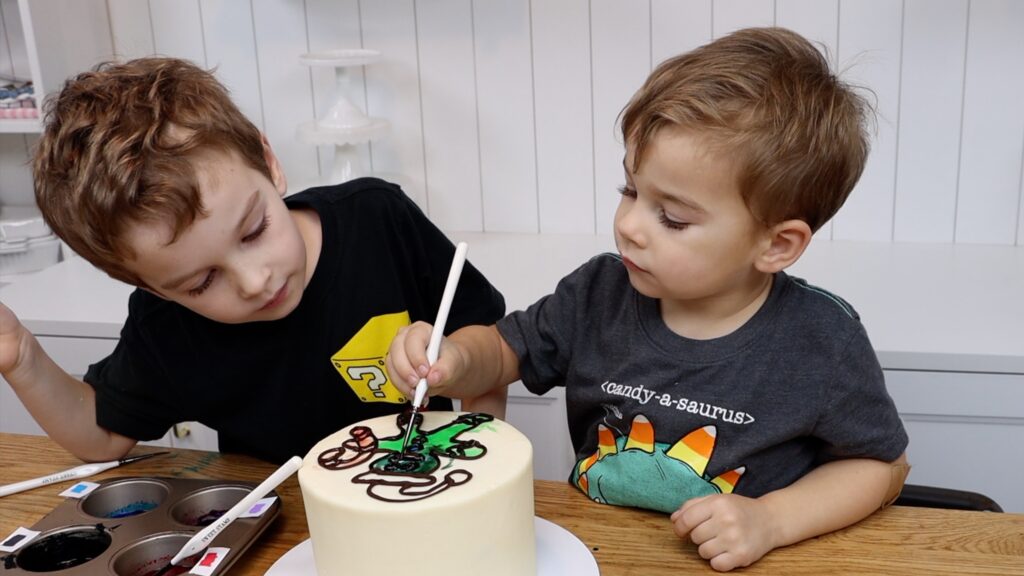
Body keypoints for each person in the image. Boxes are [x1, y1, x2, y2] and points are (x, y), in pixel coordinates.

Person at [387, 27, 910, 571]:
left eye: (673, 218)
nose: (630, 226)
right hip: (596, 553)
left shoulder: (824, 340)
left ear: (776, 244)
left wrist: (771, 520)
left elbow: (883, 466)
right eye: (630, 191)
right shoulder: (596, 293)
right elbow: (499, 352)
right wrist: (451, 358)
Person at [0, 57, 506, 465]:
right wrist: (23, 358)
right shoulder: (165, 326)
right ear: (153, 288)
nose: (255, 281)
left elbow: (492, 352)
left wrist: (486, 463)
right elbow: (102, 436)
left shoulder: (379, 221)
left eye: (254, 230)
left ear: (269, 163)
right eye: (201, 283)